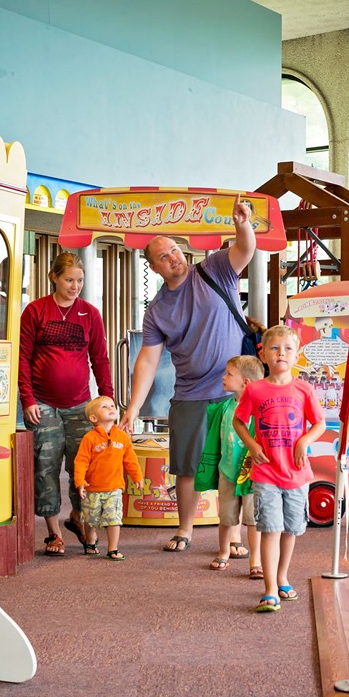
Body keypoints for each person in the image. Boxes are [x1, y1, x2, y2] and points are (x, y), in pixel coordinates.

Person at [119, 195, 256, 553]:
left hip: (234, 391)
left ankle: (235, 535)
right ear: (154, 268)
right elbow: (147, 362)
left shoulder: (213, 270)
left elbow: (245, 250)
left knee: (235, 463)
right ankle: (185, 529)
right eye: (163, 256)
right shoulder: (157, 310)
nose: (173, 257)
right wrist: (133, 408)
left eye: (175, 250)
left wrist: (242, 223)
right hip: (190, 394)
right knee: (186, 466)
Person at [19, 251, 114, 557]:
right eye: (69, 280)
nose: (75, 286)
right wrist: (27, 398)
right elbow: (22, 357)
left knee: (82, 469)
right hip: (43, 404)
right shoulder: (35, 311)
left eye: (80, 280)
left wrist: (106, 396)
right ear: (54, 278)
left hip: (80, 406)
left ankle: (81, 522)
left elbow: (100, 357)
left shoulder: (90, 313)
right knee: (45, 468)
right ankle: (53, 534)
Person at [233, 324, 327, 612]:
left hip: (297, 474)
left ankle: (283, 577)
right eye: (274, 348)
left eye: (287, 349)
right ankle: (270, 588)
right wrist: (252, 445)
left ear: (296, 356)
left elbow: (319, 423)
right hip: (266, 474)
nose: (281, 353)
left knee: (291, 529)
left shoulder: (304, 388)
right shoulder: (255, 390)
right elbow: (239, 421)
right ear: (264, 355)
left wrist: (305, 441)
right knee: (270, 528)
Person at [206, 354, 265, 577]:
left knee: (253, 520)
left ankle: (256, 559)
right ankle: (223, 551)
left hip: (253, 474)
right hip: (227, 471)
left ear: (246, 383)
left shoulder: (259, 408)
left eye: (229, 374)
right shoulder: (224, 408)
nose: (223, 377)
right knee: (226, 517)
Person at [73, 395, 143, 560]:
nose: (111, 408)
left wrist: (137, 477)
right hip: (92, 488)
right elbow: (81, 461)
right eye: (104, 407)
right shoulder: (89, 438)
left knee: (114, 519)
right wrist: (80, 482)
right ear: (93, 418)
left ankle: (113, 548)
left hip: (114, 488)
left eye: (112, 405)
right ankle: (90, 541)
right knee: (91, 519)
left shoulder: (122, 437)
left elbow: (130, 460)